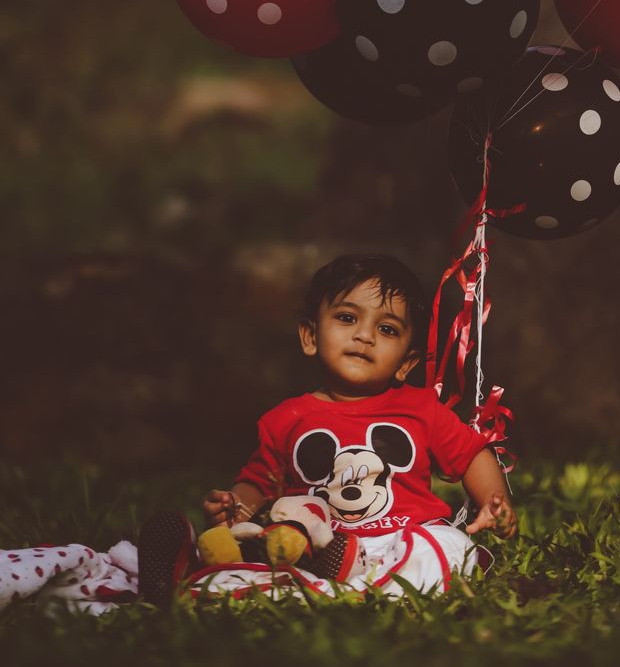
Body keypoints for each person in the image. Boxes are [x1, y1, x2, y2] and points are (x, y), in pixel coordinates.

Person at [138, 253, 516, 604]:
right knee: (265, 557)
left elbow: (471, 454)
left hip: (401, 541)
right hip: (318, 547)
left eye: (386, 329)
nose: (364, 336)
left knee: (450, 546)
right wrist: (234, 509)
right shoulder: (287, 418)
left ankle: (328, 575)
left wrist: (494, 502)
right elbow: (259, 484)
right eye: (348, 318)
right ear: (310, 336)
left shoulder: (420, 408)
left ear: (406, 362)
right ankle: (189, 560)